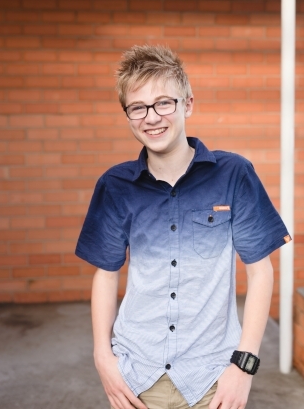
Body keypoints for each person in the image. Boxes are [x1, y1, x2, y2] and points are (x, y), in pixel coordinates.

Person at [75, 45, 291, 409]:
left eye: (164, 103)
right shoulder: (115, 186)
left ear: (187, 104)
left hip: (212, 376)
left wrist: (244, 365)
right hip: (137, 376)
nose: (152, 117)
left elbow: (261, 272)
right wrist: (103, 358)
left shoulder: (234, 174)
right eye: (138, 107)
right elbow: (107, 275)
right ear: (128, 115)